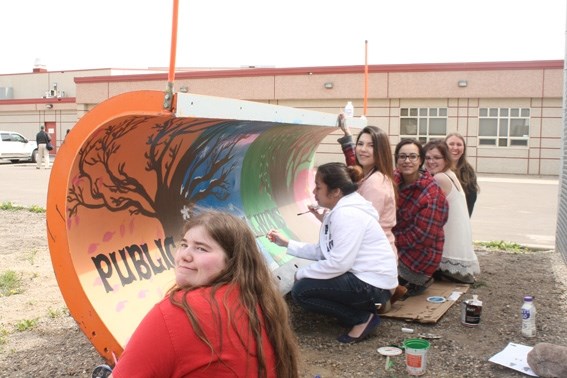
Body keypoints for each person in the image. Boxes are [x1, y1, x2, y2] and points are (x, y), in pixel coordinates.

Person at [110, 211, 300, 378]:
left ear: (232, 261)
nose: (184, 255)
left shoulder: (178, 312)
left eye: (201, 248)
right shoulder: (259, 300)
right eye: (184, 244)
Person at [267, 162, 398, 344]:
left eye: (318, 187)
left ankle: (360, 318)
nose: (314, 193)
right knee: (307, 283)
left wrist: (301, 273)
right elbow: (324, 252)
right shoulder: (341, 211)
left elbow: (339, 263)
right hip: (371, 281)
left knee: (302, 291)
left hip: (374, 286)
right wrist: (287, 243)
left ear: (336, 191)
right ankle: (358, 313)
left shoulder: (347, 215)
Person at [393, 139, 448, 297]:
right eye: (402, 156)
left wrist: (386, 240)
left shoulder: (431, 193)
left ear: (421, 160)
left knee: (373, 284)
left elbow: (422, 237)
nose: (407, 161)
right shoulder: (393, 179)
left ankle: (417, 282)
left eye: (412, 156)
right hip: (396, 247)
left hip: (418, 260)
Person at [335, 114, 397, 253]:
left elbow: (360, 227)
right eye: (360, 144)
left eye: (371, 146)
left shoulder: (375, 184)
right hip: (372, 253)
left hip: (373, 260)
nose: (363, 149)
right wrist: (347, 135)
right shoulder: (368, 174)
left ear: (381, 151)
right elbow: (353, 165)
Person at [423, 140, 480, 284]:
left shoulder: (439, 178)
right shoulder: (449, 173)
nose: (431, 162)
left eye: (436, 158)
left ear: (446, 159)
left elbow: (427, 213)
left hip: (449, 253)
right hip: (460, 248)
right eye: (428, 158)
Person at [445, 133, 480, 217]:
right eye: (451, 144)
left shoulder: (468, 171)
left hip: (459, 219)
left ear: (464, 149)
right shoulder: (437, 168)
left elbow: (470, 200)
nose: (455, 147)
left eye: (459, 144)